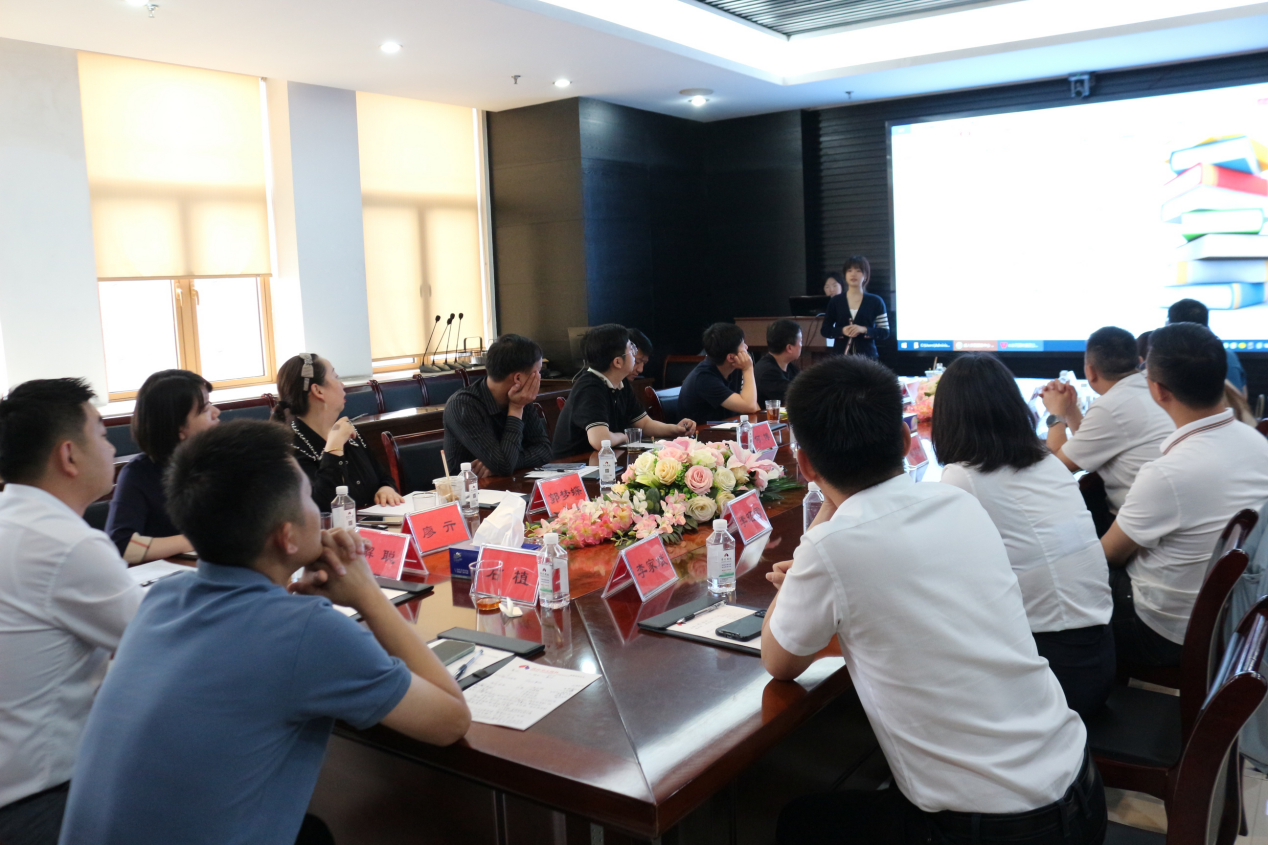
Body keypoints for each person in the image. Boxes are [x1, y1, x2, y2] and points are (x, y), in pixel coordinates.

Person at [58, 421, 471, 845]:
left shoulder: (161, 598)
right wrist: (367, 593)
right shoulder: (307, 631)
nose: (318, 512)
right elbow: (451, 720)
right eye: (308, 498)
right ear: (287, 536)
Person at [763, 357, 1102, 845]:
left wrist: (805, 566)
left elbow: (779, 662)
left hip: (996, 833)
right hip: (1082, 791)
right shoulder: (959, 502)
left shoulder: (831, 546)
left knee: (800, 821)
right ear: (906, 440)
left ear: (806, 464)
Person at [0, 379, 142, 845]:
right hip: (36, 805)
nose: (111, 447)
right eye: (101, 433)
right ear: (68, 455)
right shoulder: (69, 543)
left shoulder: (11, 518)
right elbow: (159, 646)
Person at [933, 354, 1115, 718]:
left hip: (1057, 678)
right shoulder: (1046, 461)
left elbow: (940, 571)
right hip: (1098, 655)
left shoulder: (963, 476)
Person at [1102, 322, 1268, 667]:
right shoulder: (1256, 441)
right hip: (1238, 618)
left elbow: (1109, 555)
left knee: (1072, 580)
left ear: (1158, 390)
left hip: (1169, 634)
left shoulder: (1167, 473)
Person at [1042, 327, 1174, 515]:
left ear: (1090, 371)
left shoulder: (1111, 405)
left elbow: (1057, 467)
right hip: (1168, 506)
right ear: (1139, 362)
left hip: (1140, 519)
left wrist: (1056, 412)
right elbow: (1089, 446)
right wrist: (1070, 410)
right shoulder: (1152, 386)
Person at [105, 369, 220, 563]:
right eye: (205, 409)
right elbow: (121, 544)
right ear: (178, 427)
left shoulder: (222, 461)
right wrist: (193, 541)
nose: (217, 412)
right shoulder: (139, 474)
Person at [271, 353, 402, 509]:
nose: (342, 385)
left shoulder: (348, 430)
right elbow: (321, 506)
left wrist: (386, 488)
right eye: (336, 377)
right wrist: (334, 448)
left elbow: (383, 476)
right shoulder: (291, 448)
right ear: (318, 390)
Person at [553, 324, 696, 457]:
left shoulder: (621, 383)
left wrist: (676, 429)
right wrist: (623, 436)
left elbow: (644, 424)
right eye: (631, 349)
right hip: (574, 464)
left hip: (603, 460)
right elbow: (600, 441)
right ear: (617, 362)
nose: (634, 353)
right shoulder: (590, 387)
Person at [443, 333, 552, 478]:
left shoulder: (522, 398)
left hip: (511, 484)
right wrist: (516, 409)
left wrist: (504, 463)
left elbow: (545, 451)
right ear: (518, 378)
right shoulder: (461, 405)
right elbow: (504, 465)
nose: (539, 378)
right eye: (538, 372)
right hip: (471, 489)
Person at [678, 322, 761, 426]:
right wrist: (748, 368)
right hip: (702, 433)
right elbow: (750, 406)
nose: (746, 347)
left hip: (726, 429)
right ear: (731, 357)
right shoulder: (704, 378)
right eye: (743, 344)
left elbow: (753, 406)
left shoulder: (735, 367)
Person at [1168, 298, 1246, 393]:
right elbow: (1241, 397)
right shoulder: (1227, 356)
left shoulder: (1163, 359)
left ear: (1169, 326)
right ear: (1206, 325)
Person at [820, 256, 889, 358]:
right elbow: (825, 330)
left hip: (867, 358)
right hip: (841, 357)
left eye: (858, 271)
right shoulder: (836, 301)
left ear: (865, 276)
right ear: (845, 275)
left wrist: (864, 329)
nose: (853, 274)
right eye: (849, 271)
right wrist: (842, 330)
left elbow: (885, 332)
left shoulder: (875, 301)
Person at [754, 319, 802, 406]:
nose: (801, 346)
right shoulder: (767, 372)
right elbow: (798, 396)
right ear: (789, 348)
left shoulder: (789, 366)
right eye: (800, 342)